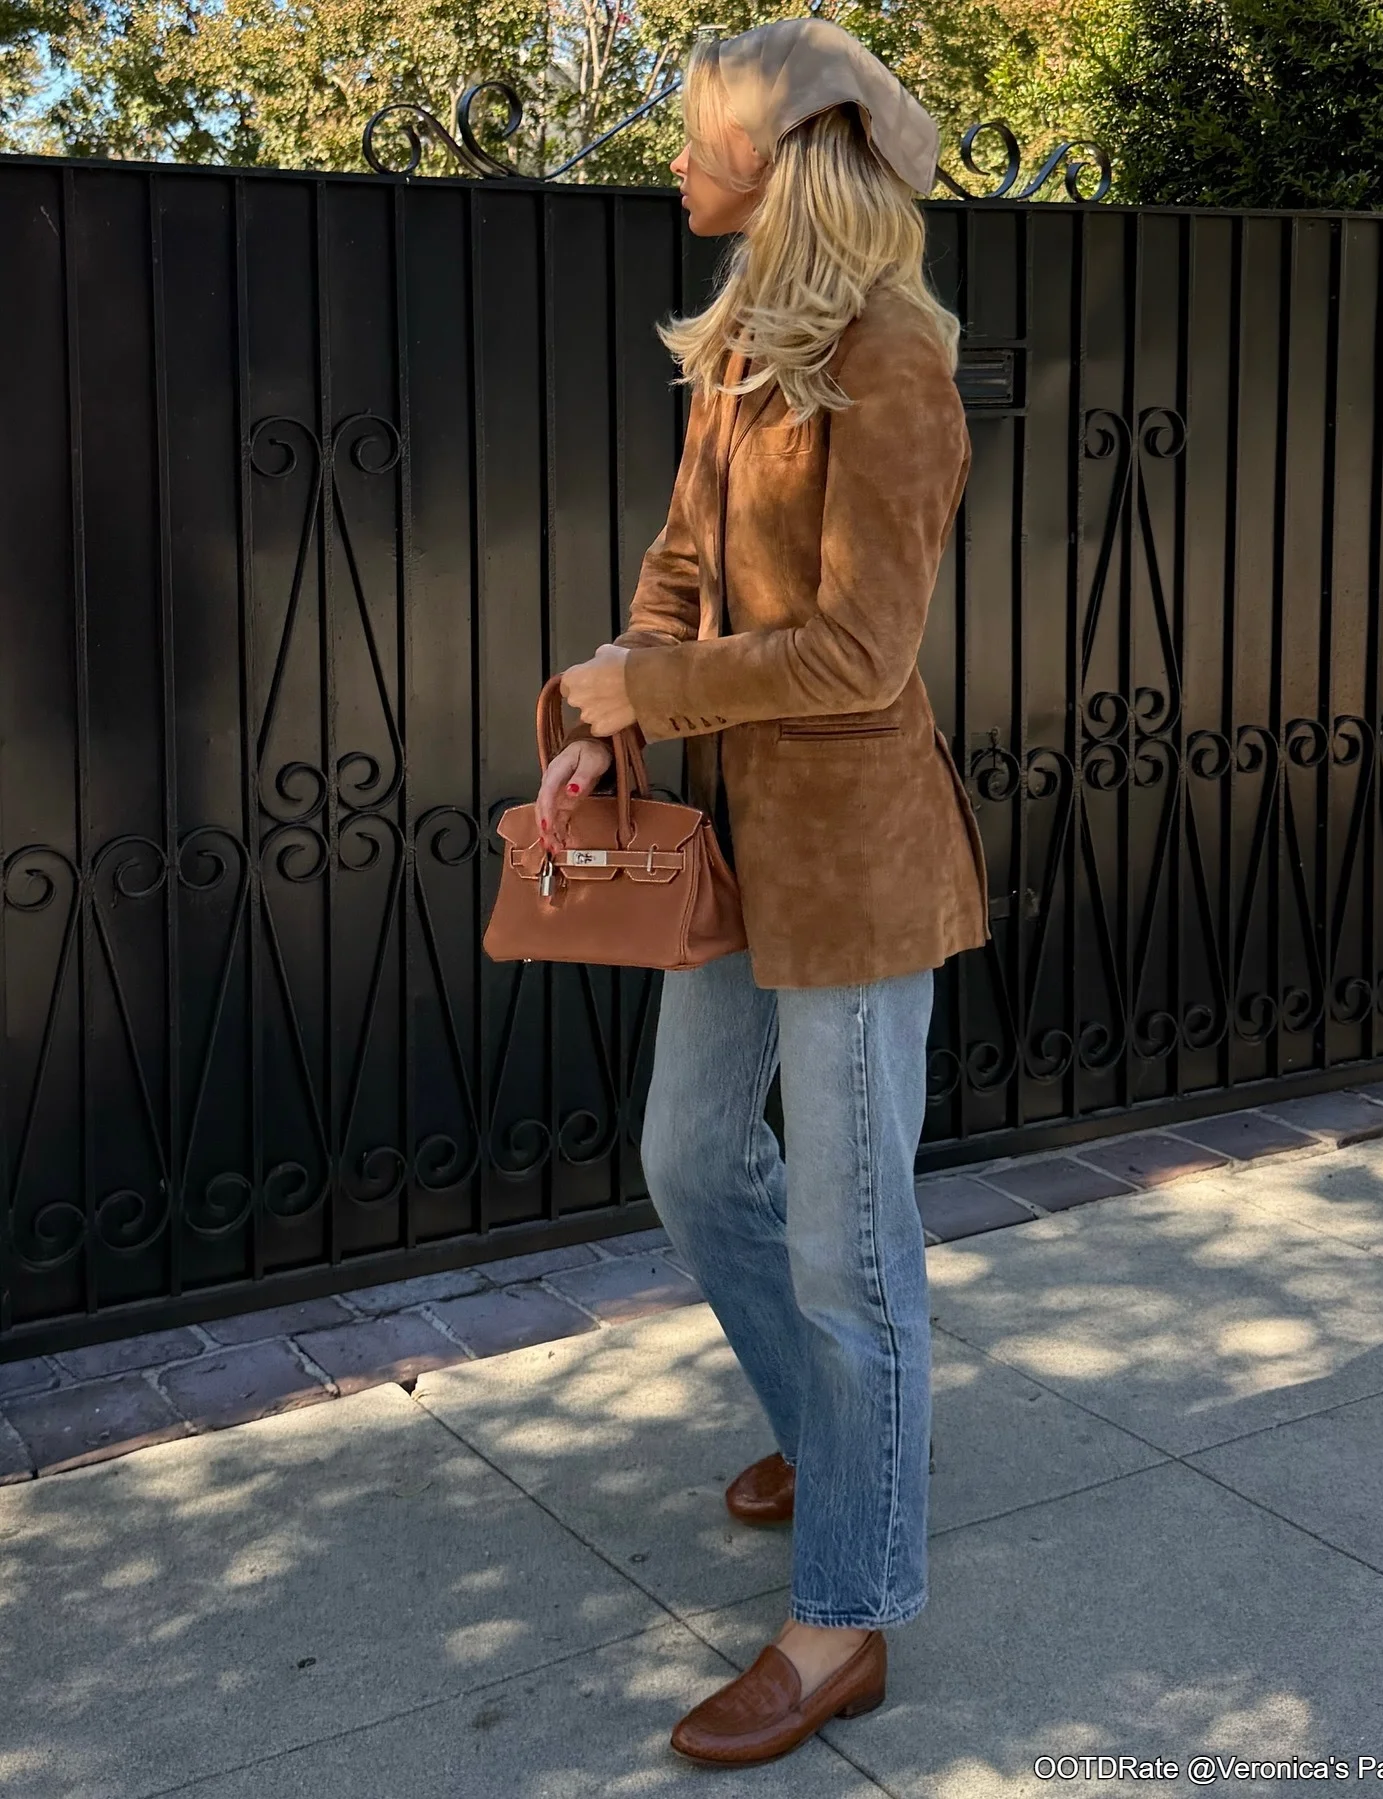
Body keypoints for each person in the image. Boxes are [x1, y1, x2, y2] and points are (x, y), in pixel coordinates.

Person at [535, 15, 989, 1768]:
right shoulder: (742, 337)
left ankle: (845, 1614)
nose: (673, 159)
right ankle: (836, 1430)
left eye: (693, 132)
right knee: (687, 1156)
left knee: (848, 1245)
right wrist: (613, 714)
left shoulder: (895, 359)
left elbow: (863, 652)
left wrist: (656, 687)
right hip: (734, 841)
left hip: (855, 863)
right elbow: (679, 561)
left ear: (776, 154)